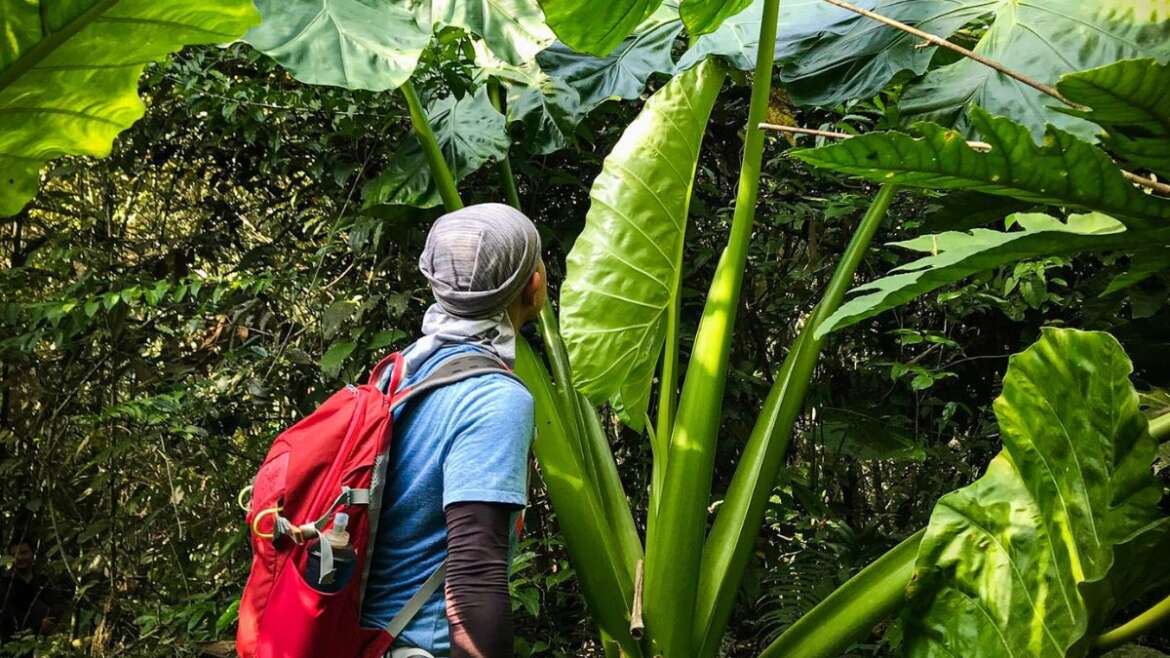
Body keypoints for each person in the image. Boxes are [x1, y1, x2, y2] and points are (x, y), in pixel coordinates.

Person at [360, 203, 546, 658]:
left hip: (368, 640)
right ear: (534, 284)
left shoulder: (403, 371)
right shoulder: (493, 398)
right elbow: (475, 572)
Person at [1, 540, 59, 656]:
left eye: (23, 552)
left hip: (44, 644)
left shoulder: (44, 580)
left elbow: (57, 604)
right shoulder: (4, 583)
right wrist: (37, 627)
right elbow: (7, 615)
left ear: (33, 553)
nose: (18, 558)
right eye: (13, 555)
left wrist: (51, 622)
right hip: (12, 645)